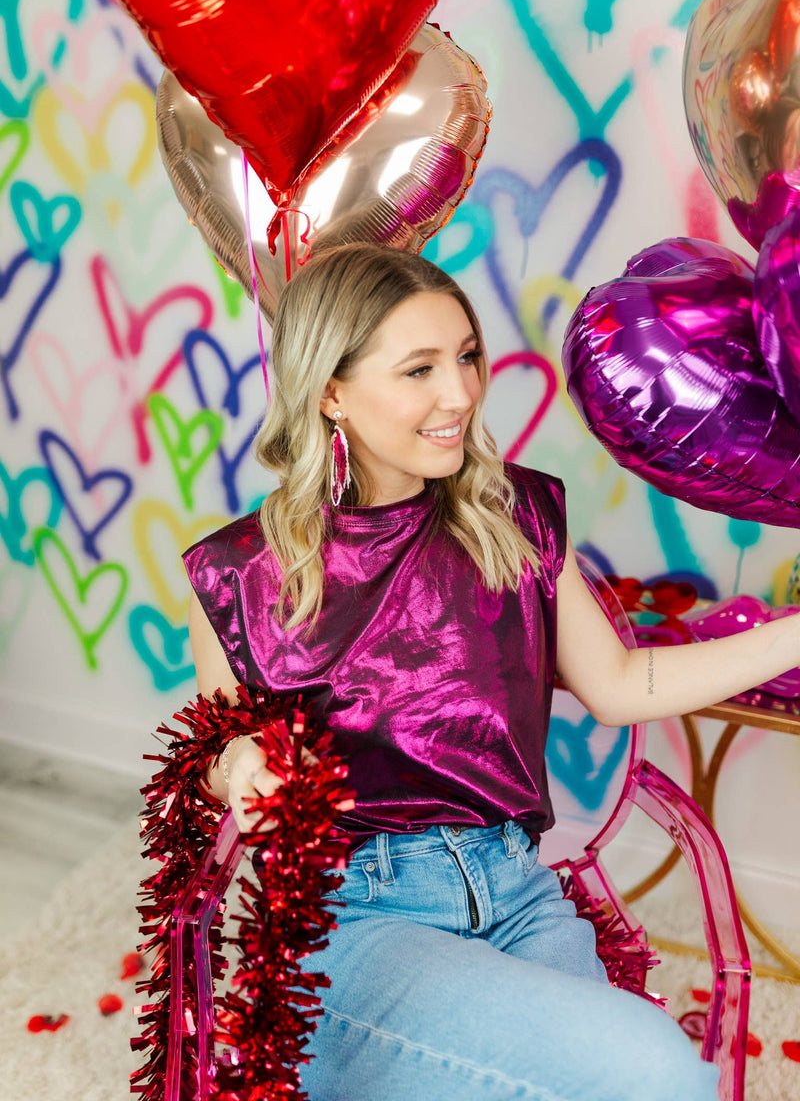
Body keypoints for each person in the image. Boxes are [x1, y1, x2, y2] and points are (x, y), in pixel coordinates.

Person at [184, 242, 799, 1101]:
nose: (462, 394)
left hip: (517, 891)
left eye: (467, 356)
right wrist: (238, 764)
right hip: (358, 920)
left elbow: (623, 686)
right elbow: (215, 748)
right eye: (420, 369)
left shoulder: (511, 515)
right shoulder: (241, 571)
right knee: (656, 1072)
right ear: (331, 391)